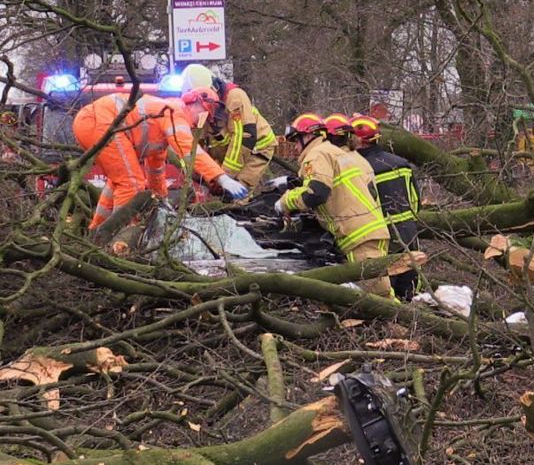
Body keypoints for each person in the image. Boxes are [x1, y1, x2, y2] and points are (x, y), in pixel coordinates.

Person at [71, 91, 248, 230]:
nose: (199, 123)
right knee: (131, 183)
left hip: (90, 122)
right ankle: (118, 237)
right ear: (195, 103)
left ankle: (97, 231)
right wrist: (221, 178)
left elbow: (155, 170)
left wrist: (161, 200)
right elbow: (189, 151)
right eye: (204, 115)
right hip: (99, 122)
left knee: (119, 181)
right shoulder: (174, 113)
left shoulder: (159, 122)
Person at [275, 113, 392, 296]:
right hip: (370, 231)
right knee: (375, 293)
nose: (296, 148)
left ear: (308, 136)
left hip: (357, 236)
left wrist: (285, 202)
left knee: (377, 295)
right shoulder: (344, 155)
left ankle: (405, 323)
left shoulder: (317, 154)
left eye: (296, 141)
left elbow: (316, 193)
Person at [348, 113, 423, 302]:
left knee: (385, 284)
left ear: (359, 141)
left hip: (382, 233)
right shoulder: (401, 164)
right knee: (409, 282)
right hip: (408, 230)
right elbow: (415, 200)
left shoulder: (360, 168)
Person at [180, 64, 276, 192]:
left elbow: (243, 139)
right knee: (223, 193)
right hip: (228, 152)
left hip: (256, 148)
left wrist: (226, 176)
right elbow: (198, 144)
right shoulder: (202, 110)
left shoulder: (235, 97)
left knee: (239, 192)